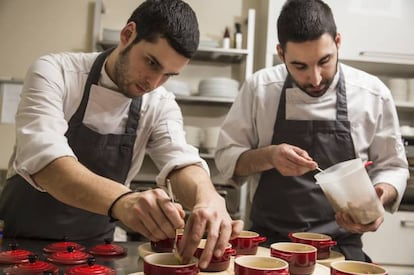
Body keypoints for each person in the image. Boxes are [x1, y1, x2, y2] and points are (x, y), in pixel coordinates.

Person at [0, 0, 243, 268]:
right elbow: (45, 161)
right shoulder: (55, 72)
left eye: (168, 75)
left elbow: (180, 160)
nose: (153, 82)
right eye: (151, 62)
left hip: (97, 254)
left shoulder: (159, 103)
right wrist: (124, 201)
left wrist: (206, 197)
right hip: (21, 247)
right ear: (127, 35)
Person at [215, 0, 408, 261]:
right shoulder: (260, 88)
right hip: (269, 245)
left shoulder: (372, 94)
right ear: (281, 53)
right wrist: (269, 156)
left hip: (339, 246)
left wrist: (378, 197)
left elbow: (393, 166)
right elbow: (226, 158)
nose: (315, 79)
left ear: (338, 42)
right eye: (300, 66)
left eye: (324, 61)